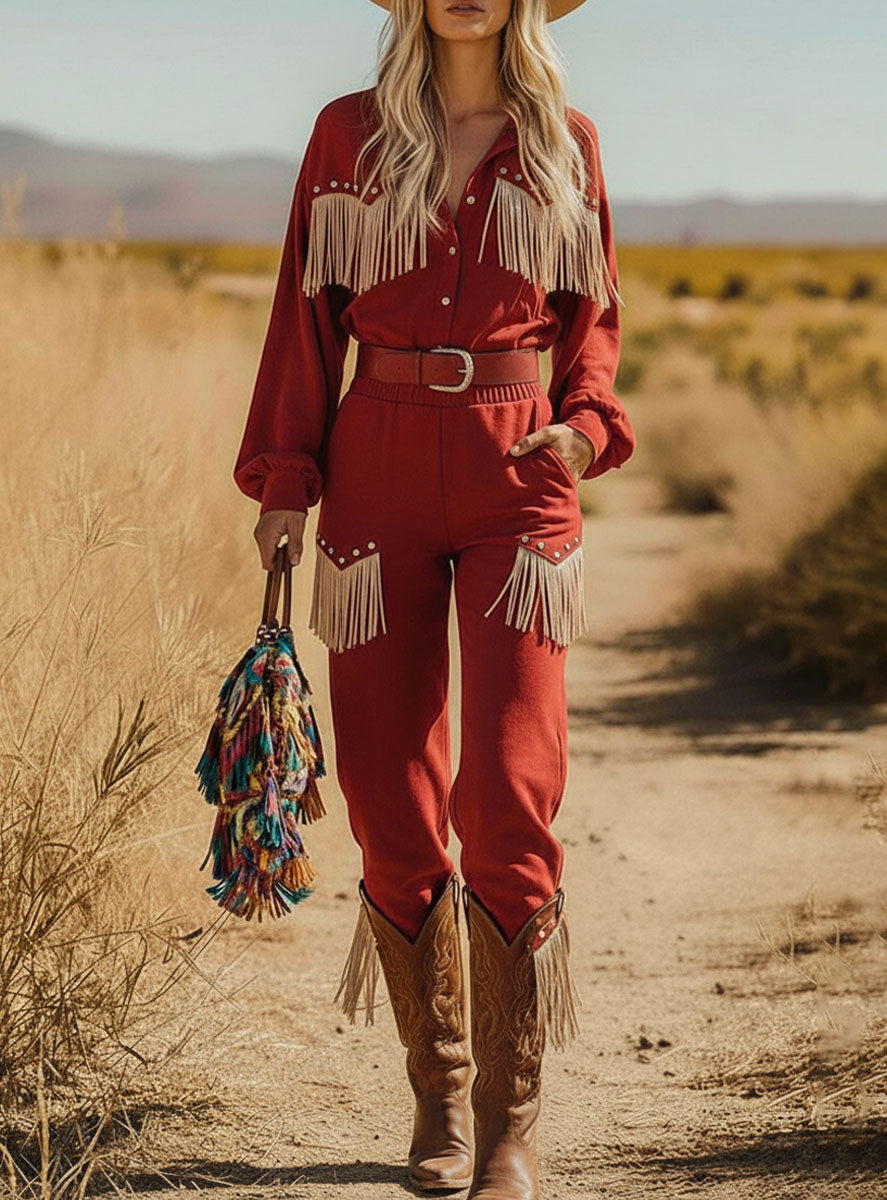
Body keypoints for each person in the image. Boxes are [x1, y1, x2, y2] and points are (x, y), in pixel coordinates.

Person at [233, 0, 636, 1194]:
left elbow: (595, 320)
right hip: (380, 463)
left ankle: (513, 1122)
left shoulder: (566, 139)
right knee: (386, 788)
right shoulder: (345, 137)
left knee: (508, 785)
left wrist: (585, 426)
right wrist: (286, 478)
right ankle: (442, 1098)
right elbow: (302, 321)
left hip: (523, 468)